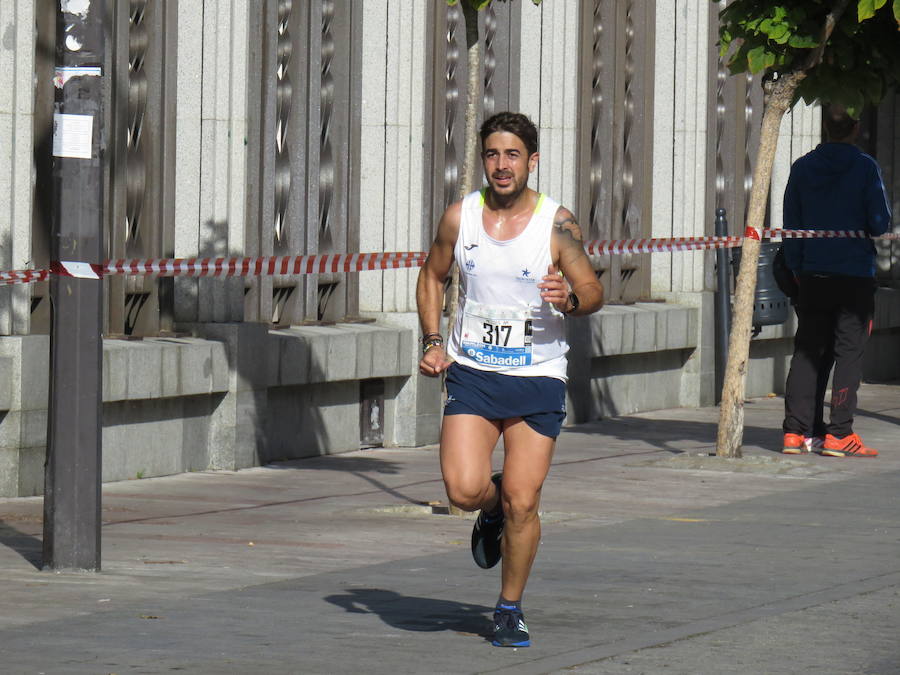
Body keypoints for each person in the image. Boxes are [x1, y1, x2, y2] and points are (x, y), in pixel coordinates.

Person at [416, 111, 604, 647]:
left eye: (513, 155)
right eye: (493, 155)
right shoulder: (462, 217)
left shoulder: (556, 222)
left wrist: (568, 298)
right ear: (484, 160)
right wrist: (432, 342)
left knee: (526, 500)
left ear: (532, 160)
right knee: (464, 488)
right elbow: (431, 275)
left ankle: (508, 607)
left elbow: (592, 290)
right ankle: (489, 507)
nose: (502, 165)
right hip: (474, 372)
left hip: (538, 375)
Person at [781, 104, 892, 457]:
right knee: (849, 352)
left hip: (812, 273)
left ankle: (795, 433)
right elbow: (879, 222)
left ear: (825, 128)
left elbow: (791, 226)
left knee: (806, 351)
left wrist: (798, 269)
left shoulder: (802, 167)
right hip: (854, 275)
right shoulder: (865, 168)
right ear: (855, 128)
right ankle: (839, 433)